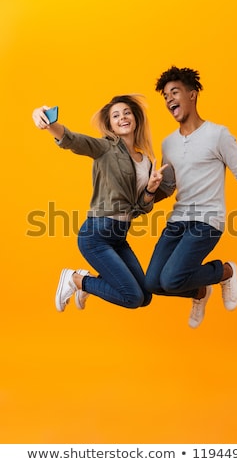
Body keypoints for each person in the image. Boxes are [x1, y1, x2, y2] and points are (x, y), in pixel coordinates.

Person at [145, 66, 237, 328]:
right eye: (165, 96)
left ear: (192, 95)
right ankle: (199, 291)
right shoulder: (168, 143)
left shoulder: (218, 134)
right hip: (178, 222)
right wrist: (147, 195)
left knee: (172, 278)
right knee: (152, 283)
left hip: (207, 221)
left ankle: (225, 271)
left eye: (174, 92)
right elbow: (169, 187)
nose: (169, 100)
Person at [32, 95, 167, 312]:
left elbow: (140, 208)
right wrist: (47, 121)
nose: (122, 117)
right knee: (132, 297)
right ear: (110, 124)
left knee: (145, 296)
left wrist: (151, 188)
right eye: (116, 115)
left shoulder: (146, 162)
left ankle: (86, 284)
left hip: (119, 236)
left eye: (126, 113)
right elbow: (73, 140)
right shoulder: (105, 148)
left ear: (135, 119)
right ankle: (76, 280)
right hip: (96, 235)